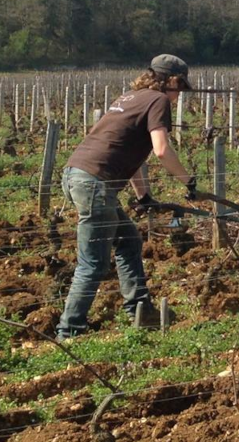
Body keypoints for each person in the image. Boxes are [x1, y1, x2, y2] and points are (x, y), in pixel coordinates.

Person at [56, 53, 196, 339]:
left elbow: (130, 154)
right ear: (170, 80)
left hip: (75, 175)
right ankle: (68, 331)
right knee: (93, 263)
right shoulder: (157, 101)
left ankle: (140, 312)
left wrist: (143, 196)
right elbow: (160, 150)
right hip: (95, 184)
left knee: (129, 240)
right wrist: (188, 181)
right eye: (180, 87)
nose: (179, 95)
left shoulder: (130, 97)